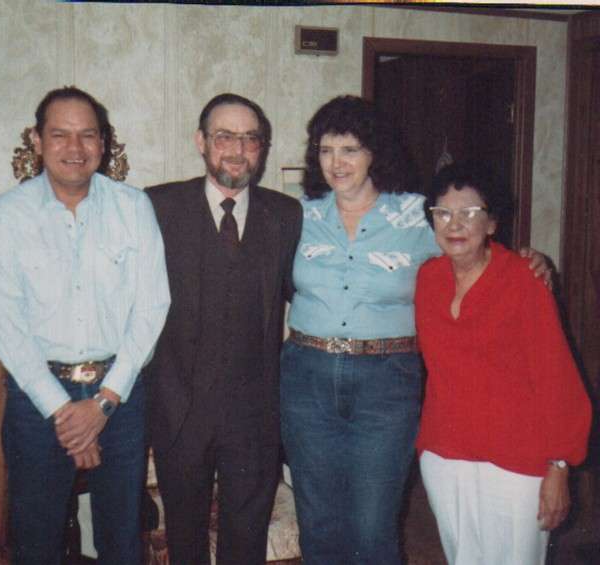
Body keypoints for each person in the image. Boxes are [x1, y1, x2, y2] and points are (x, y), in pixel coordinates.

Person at [280, 95, 551, 565]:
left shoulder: (415, 215)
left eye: (350, 149)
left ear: (374, 153)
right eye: (326, 150)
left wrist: (531, 260)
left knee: (373, 524)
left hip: (385, 381)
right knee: (318, 518)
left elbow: (474, 247)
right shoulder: (298, 216)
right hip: (307, 375)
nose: (337, 162)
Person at [0, 86, 170, 565]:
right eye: (60, 134)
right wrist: (64, 412)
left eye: (88, 135)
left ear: (103, 143)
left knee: (121, 541)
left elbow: (152, 307)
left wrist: (104, 403)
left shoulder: (133, 207)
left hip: (120, 395)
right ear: (37, 140)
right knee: (35, 544)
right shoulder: (7, 215)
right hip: (37, 400)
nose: (75, 147)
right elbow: (4, 323)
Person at [145, 93, 302, 565]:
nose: (237, 150)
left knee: (245, 544)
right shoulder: (157, 207)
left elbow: (310, 294)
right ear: (201, 141)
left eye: (250, 139)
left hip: (254, 414)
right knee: (186, 543)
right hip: (179, 410)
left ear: (262, 147)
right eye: (224, 137)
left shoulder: (286, 215)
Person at [415, 162, 591, 565]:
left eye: (469, 212)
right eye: (443, 213)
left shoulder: (524, 280)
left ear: (491, 223)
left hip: (517, 459)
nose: (455, 224)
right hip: (445, 453)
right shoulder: (428, 279)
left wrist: (559, 464)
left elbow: (557, 376)